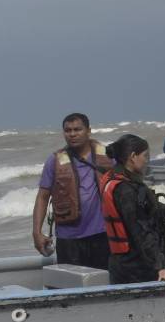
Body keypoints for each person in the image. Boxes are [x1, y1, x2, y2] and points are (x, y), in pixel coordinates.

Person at [99, 134, 165, 284]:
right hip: (137, 269)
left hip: (119, 265)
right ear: (133, 157)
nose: (147, 161)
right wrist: (160, 267)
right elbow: (141, 231)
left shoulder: (113, 178)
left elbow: (150, 207)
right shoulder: (127, 190)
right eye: (145, 156)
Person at [31, 113, 114, 269]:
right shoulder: (54, 161)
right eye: (68, 130)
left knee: (104, 282)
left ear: (88, 130)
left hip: (103, 235)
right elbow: (42, 197)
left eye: (77, 129)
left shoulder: (108, 156)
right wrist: (37, 233)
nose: (72, 134)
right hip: (68, 239)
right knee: (71, 285)